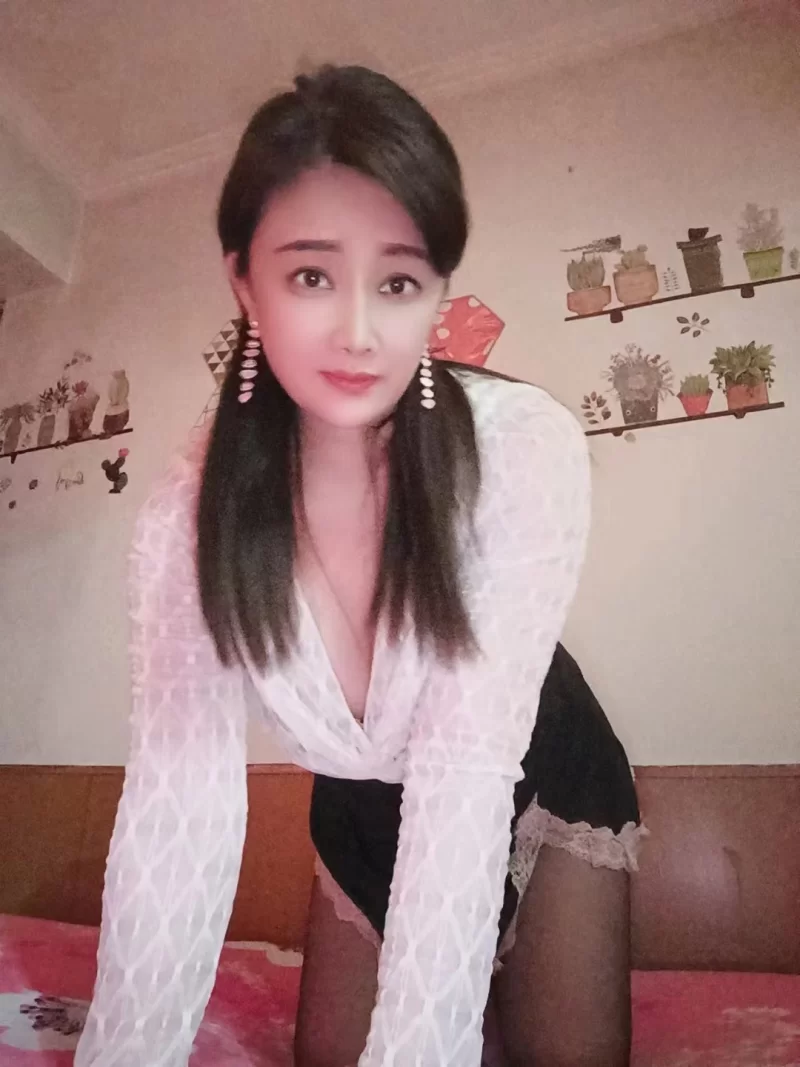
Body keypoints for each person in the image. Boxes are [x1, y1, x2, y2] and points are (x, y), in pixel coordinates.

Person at [75, 65, 643, 1067]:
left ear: (434, 292)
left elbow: (465, 774)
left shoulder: (518, 449)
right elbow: (178, 804)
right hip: (355, 803)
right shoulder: (186, 515)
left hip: (531, 770)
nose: (357, 330)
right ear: (243, 280)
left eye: (397, 281)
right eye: (310, 276)